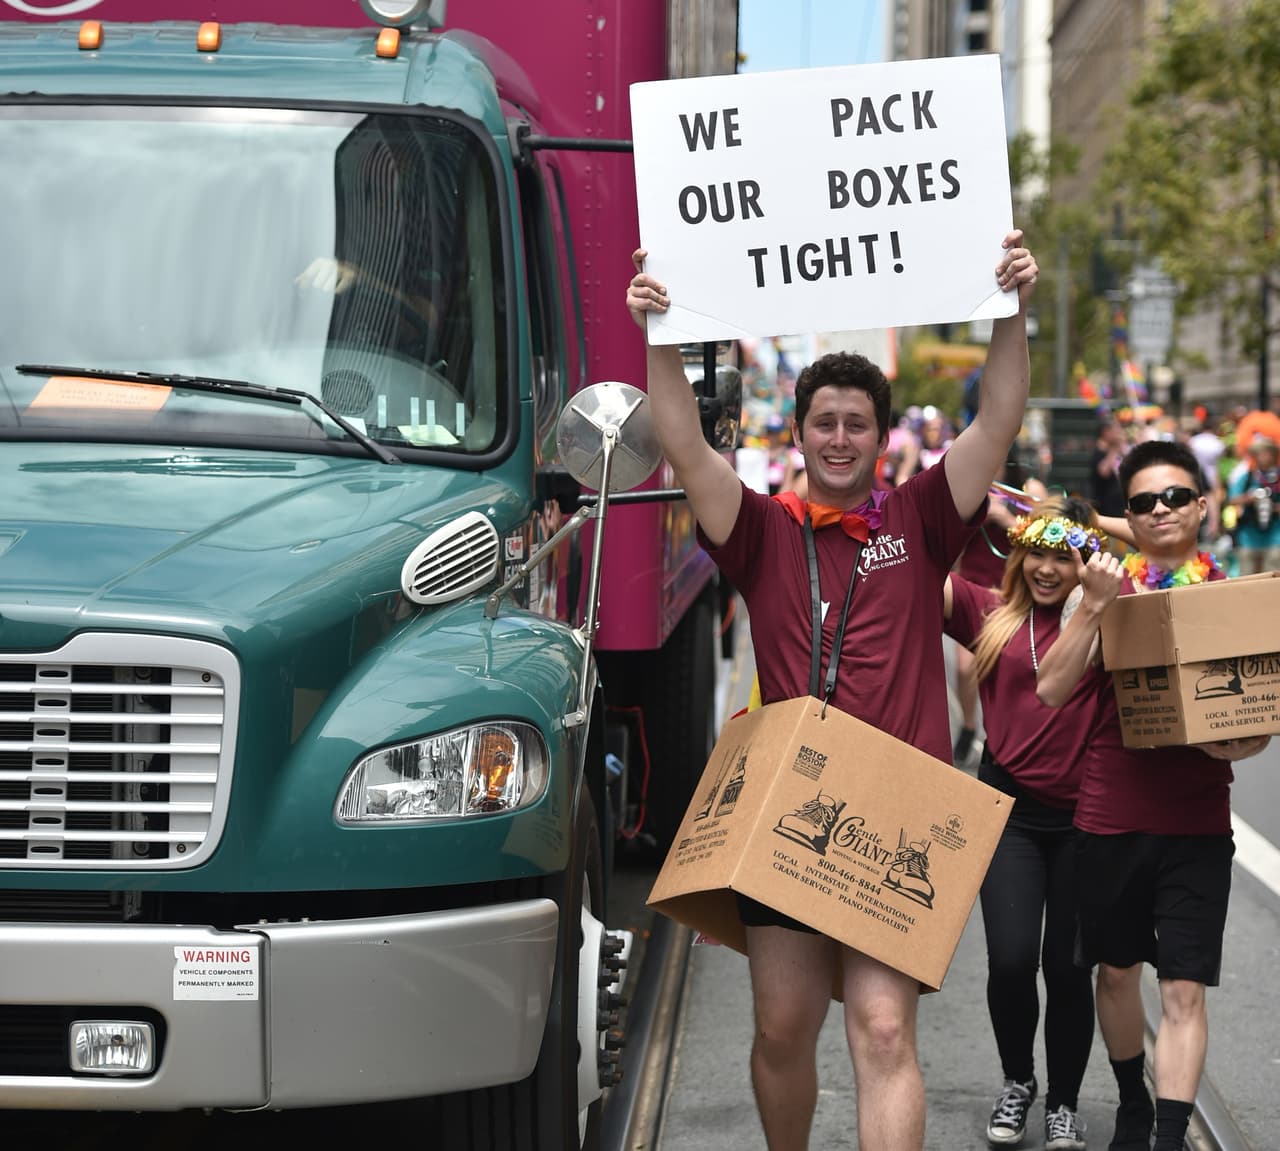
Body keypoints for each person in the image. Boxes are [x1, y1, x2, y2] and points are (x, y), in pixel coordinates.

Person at [626, 231, 1039, 1151]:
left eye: (858, 423)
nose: (841, 438)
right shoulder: (762, 529)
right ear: (801, 432)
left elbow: (1000, 418)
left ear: (882, 438)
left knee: (885, 1030)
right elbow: (685, 442)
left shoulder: (925, 516)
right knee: (781, 1031)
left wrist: (1012, 307)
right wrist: (658, 326)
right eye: (825, 423)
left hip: (895, 816)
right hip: (789, 812)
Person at [1036, 439, 1271, 1151]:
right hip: (1111, 816)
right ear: (1128, 517)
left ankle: (1166, 1134)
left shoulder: (1231, 594)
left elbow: (1256, 725)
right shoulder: (1104, 586)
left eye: (1174, 496)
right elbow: (1049, 687)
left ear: (1203, 505)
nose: (1161, 509)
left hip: (1198, 821)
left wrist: (1229, 741)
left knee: (1183, 990)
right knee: (1116, 973)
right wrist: (1094, 606)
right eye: (1143, 501)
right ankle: (1132, 1100)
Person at [944, 496, 1113, 1151]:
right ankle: (1019, 1080)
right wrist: (980, 505)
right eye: (1035, 551)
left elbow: (1176, 573)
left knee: (1070, 969)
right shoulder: (989, 611)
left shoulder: (1110, 619)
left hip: (1087, 820)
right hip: (1007, 813)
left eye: (1062, 555)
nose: (1046, 568)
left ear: (1086, 562)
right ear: (1018, 552)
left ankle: (1065, 1103)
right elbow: (917, 567)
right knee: (1012, 960)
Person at [951, 461, 1049, 769]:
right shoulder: (970, 487)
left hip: (1013, 591)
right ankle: (969, 725)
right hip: (974, 585)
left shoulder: (1030, 490)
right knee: (966, 668)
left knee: (1016, 667)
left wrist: (1006, 518)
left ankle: (1010, 736)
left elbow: (1046, 537)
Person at [1226, 434, 1280, 574]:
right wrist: (1249, 498)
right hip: (1248, 537)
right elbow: (1232, 499)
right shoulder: (1247, 477)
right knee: (1247, 575)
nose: (1262, 457)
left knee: (1273, 575)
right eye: (1258, 454)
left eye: (1266, 453)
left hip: (1275, 537)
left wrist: (1273, 508)